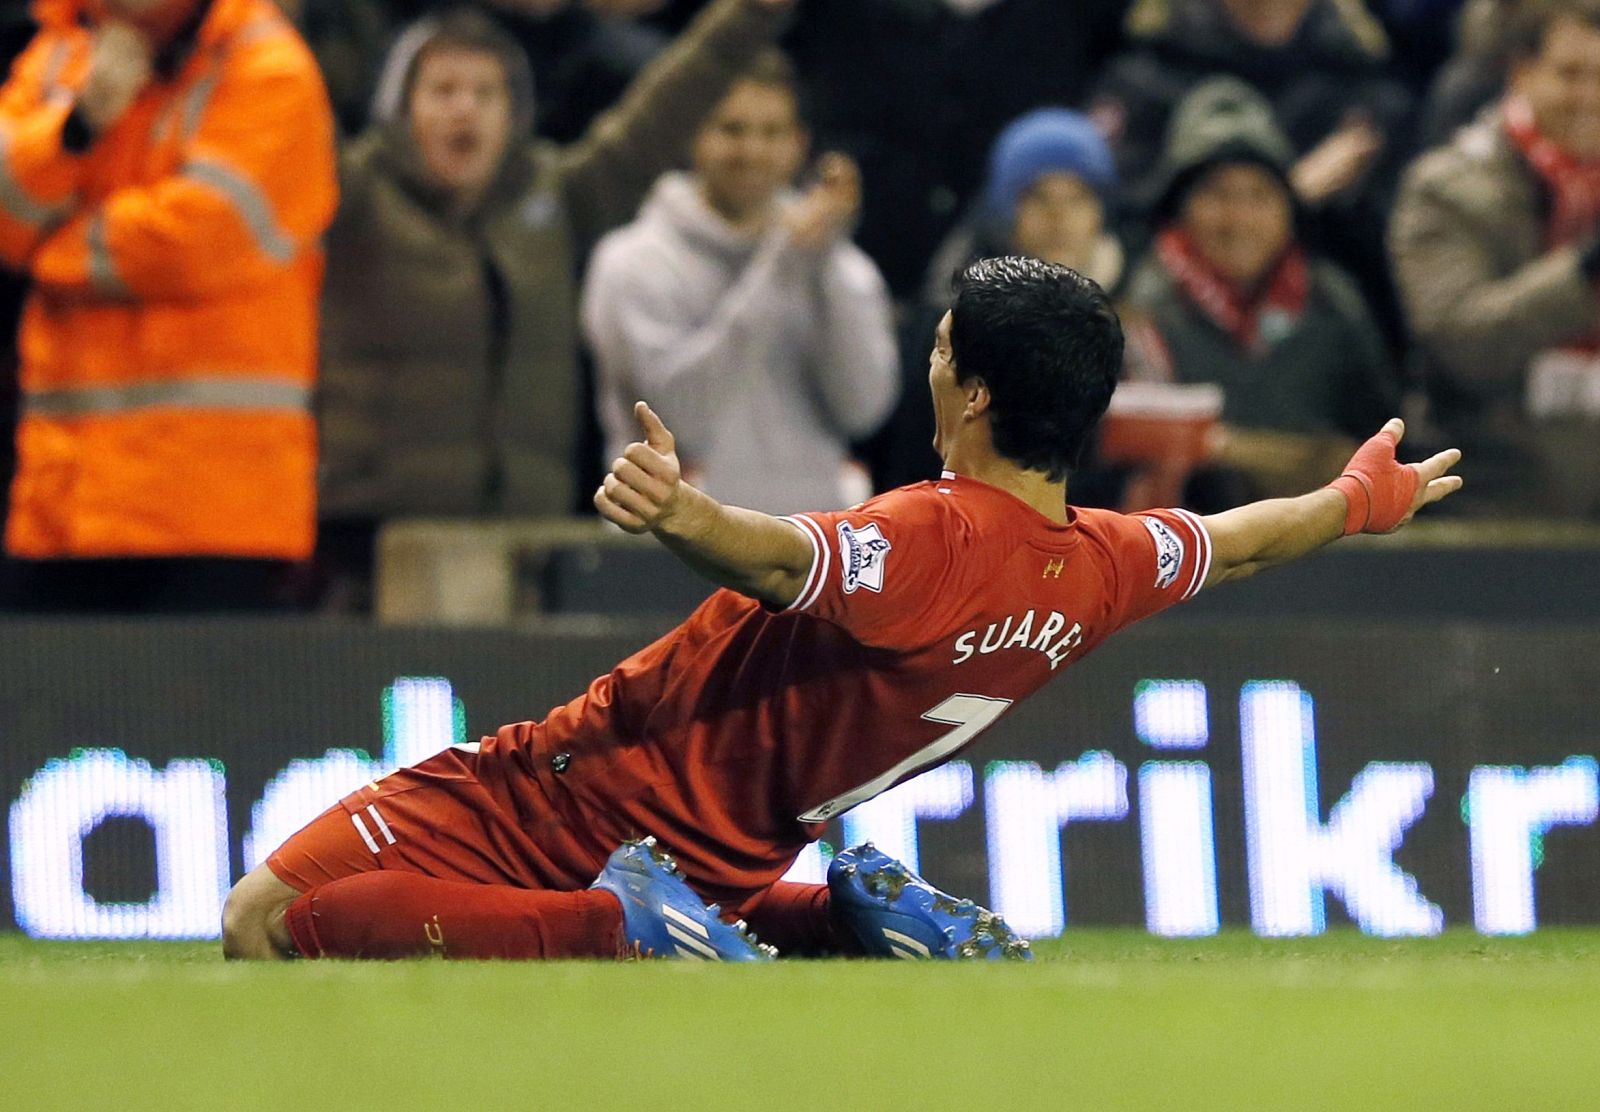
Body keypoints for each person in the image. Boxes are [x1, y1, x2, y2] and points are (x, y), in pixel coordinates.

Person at [222, 257, 1462, 962]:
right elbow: (1242, 542)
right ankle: (842, 924)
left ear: (972, 392)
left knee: (269, 920)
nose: (928, 368)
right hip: (734, 845)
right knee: (715, 888)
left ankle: (622, 931)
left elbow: (780, 559)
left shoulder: (928, 535)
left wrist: (677, 511)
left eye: (938, 352)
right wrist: (1356, 497)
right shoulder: (1099, 562)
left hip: (578, 798)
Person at [315, 0, 793, 609]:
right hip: (373, 550)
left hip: (526, 541)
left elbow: (664, 109)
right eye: (443, 89)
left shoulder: (555, 197)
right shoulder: (350, 196)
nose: (466, 108)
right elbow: (287, 103)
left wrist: (753, 12)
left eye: (487, 92)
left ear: (515, 112)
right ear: (399, 109)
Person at [0, 0, 337, 612]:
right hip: (63, 506)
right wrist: (76, 126)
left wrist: (47, 256)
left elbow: (190, 244)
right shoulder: (55, 57)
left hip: (215, 512)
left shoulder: (271, 68)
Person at [582, 49, 898, 515]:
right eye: (732, 129)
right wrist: (781, 267)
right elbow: (681, 416)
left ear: (799, 144)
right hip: (676, 545)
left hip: (808, 546)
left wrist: (823, 263)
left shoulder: (841, 267)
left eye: (772, 133)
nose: (751, 151)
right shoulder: (631, 262)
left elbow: (865, 407)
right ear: (693, 135)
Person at [1121, 79, 1397, 507]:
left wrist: (1230, 449)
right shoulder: (1136, 312)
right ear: (1179, 206)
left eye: (1260, 195)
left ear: (1289, 208)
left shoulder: (1333, 303)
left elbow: (1382, 442)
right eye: (1217, 194)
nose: (1239, 219)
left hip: (1327, 552)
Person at [1391, 0, 1600, 517]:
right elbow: (1463, 343)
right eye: (1572, 74)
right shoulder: (1446, 188)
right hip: (1497, 506)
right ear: (1523, 74)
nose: (1590, 96)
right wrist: (1585, 272)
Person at [872, 107, 1124, 493]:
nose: (1059, 217)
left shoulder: (1131, 317)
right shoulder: (954, 323)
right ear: (1006, 209)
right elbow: (916, 459)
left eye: (1077, 198)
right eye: (1038, 197)